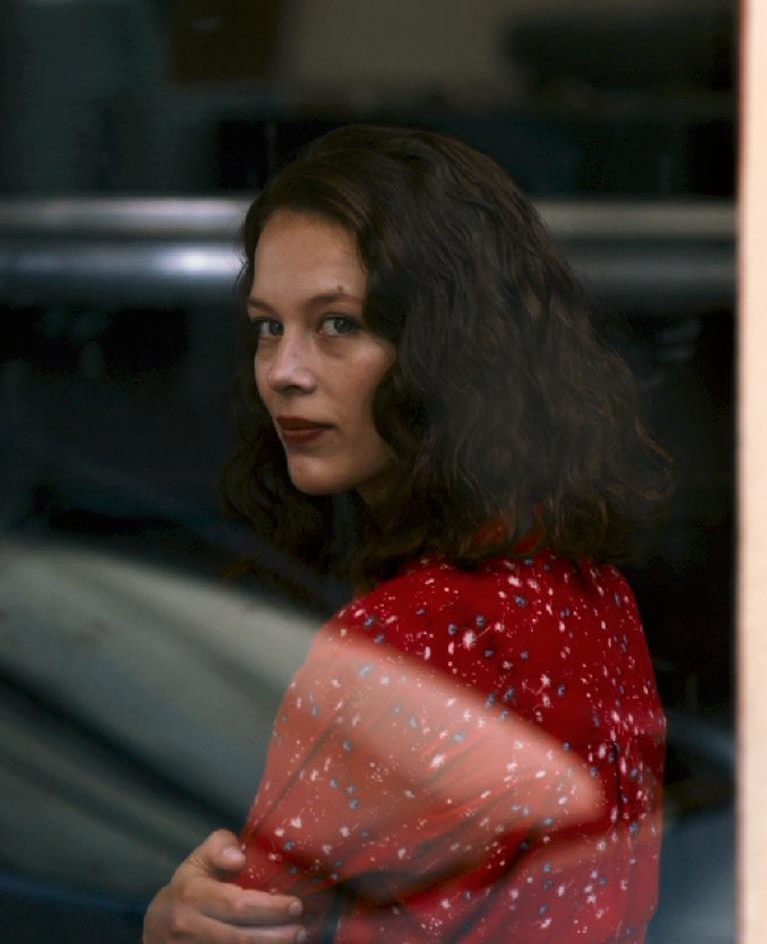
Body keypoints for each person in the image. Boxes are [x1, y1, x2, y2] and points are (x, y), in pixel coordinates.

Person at [144, 126, 671, 943]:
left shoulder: (416, 634)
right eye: (268, 327)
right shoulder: (588, 595)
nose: (285, 370)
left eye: (338, 325)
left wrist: (172, 932)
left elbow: (260, 928)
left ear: (452, 347)